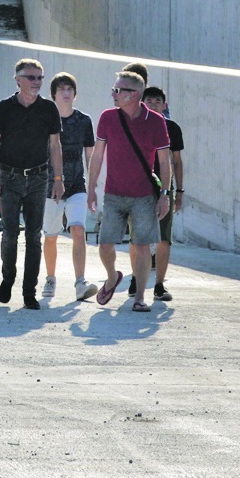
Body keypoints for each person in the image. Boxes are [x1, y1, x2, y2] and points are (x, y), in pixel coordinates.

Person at [86, 71, 174, 313]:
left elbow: (165, 162)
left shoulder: (156, 121)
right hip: (113, 194)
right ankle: (112, 277)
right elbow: (97, 155)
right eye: (113, 89)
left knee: (142, 245)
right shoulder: (108, 117)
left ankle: (140, 297)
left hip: (144, 196)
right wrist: (91, 188)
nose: (113, 94)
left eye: (118, 90)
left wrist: (165, 195)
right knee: (105, 244)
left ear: (134, 94)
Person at [0, 58, 63, 309]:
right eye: (31, 77)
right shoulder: (4, 108)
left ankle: (29, 291)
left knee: (34, 235)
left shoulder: (49, 108)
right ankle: (8, 277)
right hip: (9, 177)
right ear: (18, 80)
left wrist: (58, 179)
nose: (37, 82)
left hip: (39, 177)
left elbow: (55, 146)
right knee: (10, 232)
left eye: (40, 77)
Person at [41, 72, 97, 301]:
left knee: (78, 230)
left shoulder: (84, 121)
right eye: (61, 89)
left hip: (77, 185)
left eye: (69, 89)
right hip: (49, 187)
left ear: (75, 93)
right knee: (51, 235)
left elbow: (90, 156)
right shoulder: (45, 120)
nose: (66, 93)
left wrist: (92, 187)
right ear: (53, 94)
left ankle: (80, 282)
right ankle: (50, 278)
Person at [141, 86, 186, 302]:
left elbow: (176, 161)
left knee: (164, 238)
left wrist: (179, 191)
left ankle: (159, 285)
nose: (153, 105)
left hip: (164, 189)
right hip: (139, 187)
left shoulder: (172, 128)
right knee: (137, 238)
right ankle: (136, 281)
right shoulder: (135, 125)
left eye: (157, 102)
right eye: (149, 101)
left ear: (164, 105)